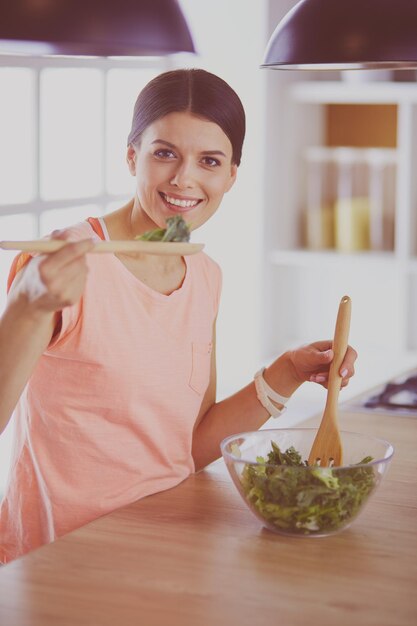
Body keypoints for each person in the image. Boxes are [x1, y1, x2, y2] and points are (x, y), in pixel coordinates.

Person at [0, 68, 357, 563]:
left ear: (232, 174)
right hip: (61, 558)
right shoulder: (61, 263)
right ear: (132, 157)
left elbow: (186, 448)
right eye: (164, 153)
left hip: (166, 549)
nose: (184, 178)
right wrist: (27, 304)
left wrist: (287, 372)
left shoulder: (205, 274)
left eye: (209, 160)